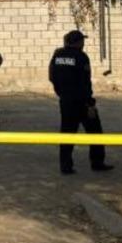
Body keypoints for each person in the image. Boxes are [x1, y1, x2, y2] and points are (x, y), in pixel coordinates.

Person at [49, 30, 114, 175]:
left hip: (66, 101)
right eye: (82, 41)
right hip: (82, 102)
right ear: (78, 42)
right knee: (95, 132)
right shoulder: (81, 57)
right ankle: (97, 162)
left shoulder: (57, 55)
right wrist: (90, 103)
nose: (83, 43)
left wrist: (62, 93)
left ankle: (65, 166)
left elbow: (52, 76)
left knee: (66, 134)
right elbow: (85, 82)